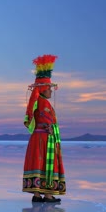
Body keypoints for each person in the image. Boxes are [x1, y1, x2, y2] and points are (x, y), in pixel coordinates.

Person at [22, 54, 66, 203]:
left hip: (36, 137)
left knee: (37, 162)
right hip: (45, 138)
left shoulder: (37, 102)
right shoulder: (44, 104)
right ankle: (47, 194)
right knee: (47, 163)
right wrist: (52, 129)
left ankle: (37, 194)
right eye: (49, 89)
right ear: (43, 89)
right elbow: (48, 123)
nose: (51, 91)